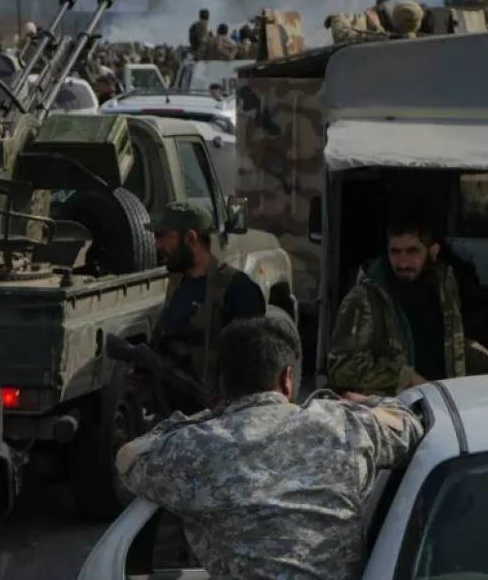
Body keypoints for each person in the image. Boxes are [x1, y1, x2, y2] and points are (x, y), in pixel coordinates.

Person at [118, 314, 424, 580]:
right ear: (288, 379)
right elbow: (408, 423)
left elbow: (129, 456)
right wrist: (365, 403)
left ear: (223, 384)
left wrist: (213, 414)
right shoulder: (343, 424)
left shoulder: (193, 447)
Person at [327, 218, 469, 394]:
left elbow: (452, 347)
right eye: (395, 252)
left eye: (412, 251)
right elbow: (340, 368)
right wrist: (405, 378)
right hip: (392, 407)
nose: (403, 263)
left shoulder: (445, 290)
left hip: (442, 403)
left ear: (433, 251)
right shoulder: (365, 298)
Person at [149, 201, 265, 410]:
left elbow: (251, 364)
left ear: (190, 238)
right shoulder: (178, 284)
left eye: (163, 236)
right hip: (173, 414)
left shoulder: (237, 289)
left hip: (216, 417)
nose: (157, 245)